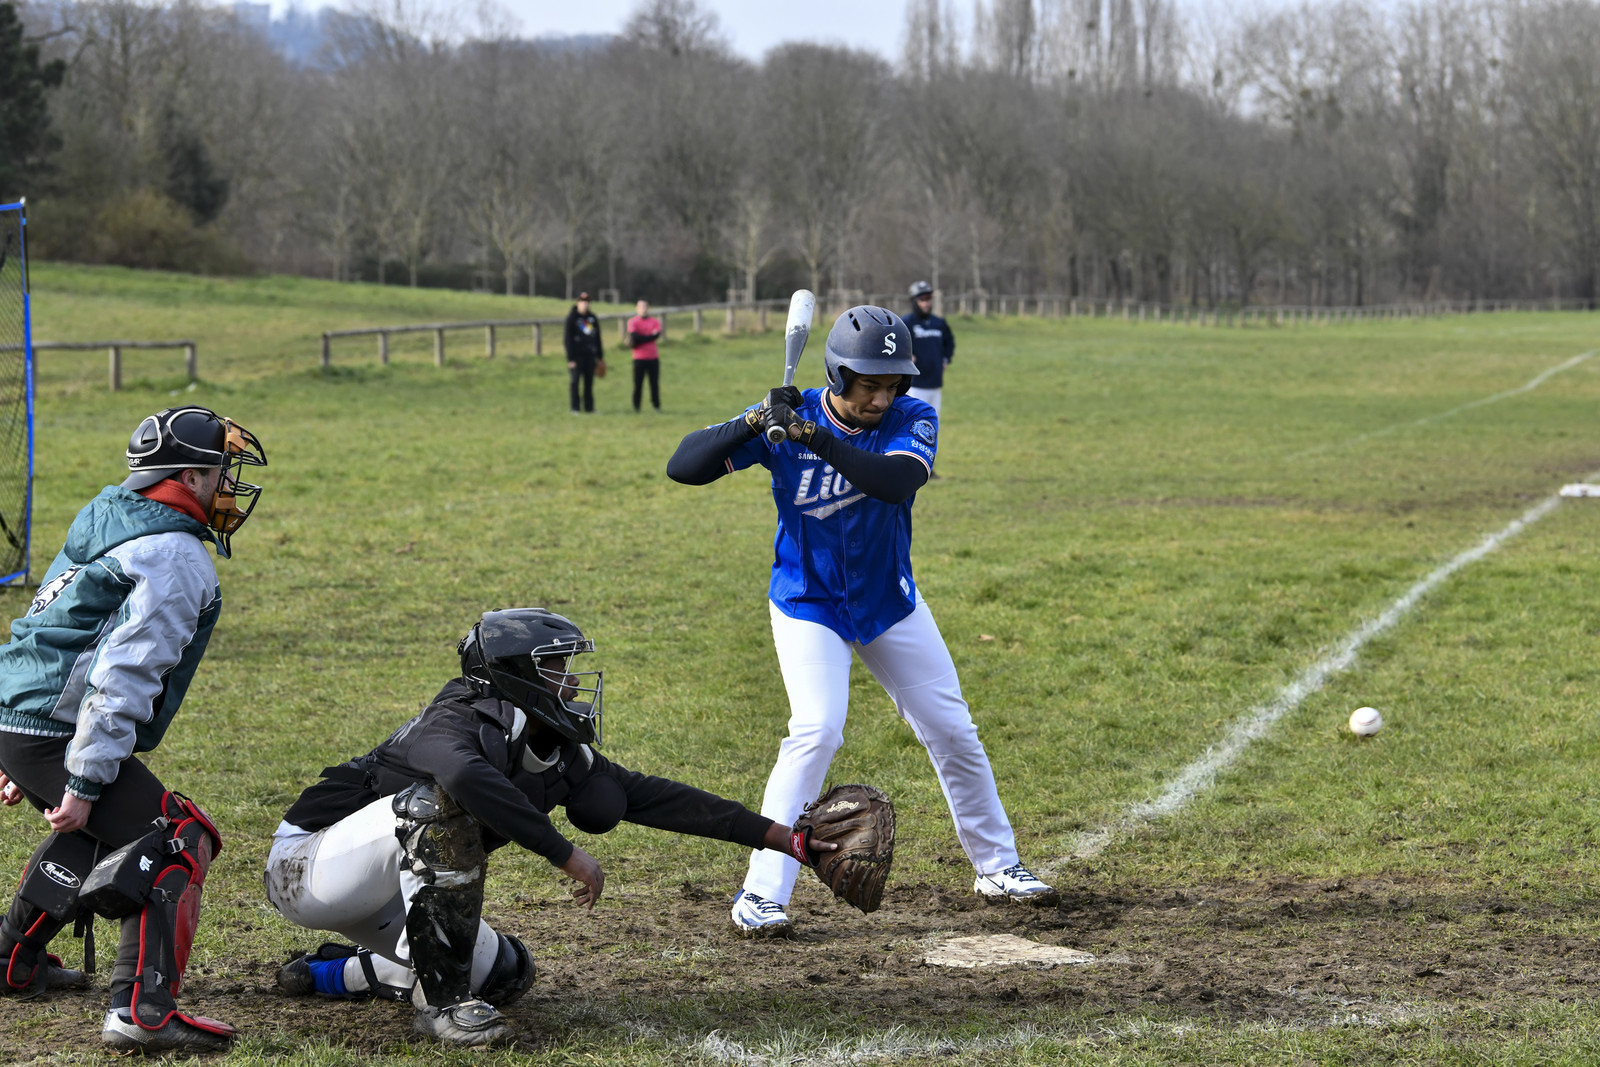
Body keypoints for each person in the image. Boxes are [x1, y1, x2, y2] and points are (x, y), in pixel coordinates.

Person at [265, 608, 840, 1047]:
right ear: (514, 676)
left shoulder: (550, 748)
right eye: (556, 669)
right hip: (308, 868)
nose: (569, 684)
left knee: (506, 974)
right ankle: (443, 1008)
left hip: (388, 891)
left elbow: (656, 799)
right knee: (437, 805)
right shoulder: (455, 720)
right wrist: (565, 853)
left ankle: (334, 974)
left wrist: (788, 840)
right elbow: (463, 775)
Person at [666, 305, 1057, 938]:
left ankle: (997, 865)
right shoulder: (787, 423)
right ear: (837, 374)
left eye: (891, 382)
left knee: (952, 728)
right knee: (816, 729)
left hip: (886, 602)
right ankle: (761, 894)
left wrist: (816, 439)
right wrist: (756, 420)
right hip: (807, 604)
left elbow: (895, 483)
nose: (882, 396)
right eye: (868, 383)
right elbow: (683, 466)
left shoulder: (912, 418)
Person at [0, 406, 267, 1052]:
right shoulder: (175, 554)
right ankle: (142, 1009)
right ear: (186, 476)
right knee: (178, 837)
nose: (226, 486)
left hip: (24, 714)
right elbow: (121, 675)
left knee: (105, 832)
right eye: (218, 472)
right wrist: (86, 773)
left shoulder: (111, 513)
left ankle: (13, 956)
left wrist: (14, 739)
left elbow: (47, 623)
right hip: (55, 726)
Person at [904, 281, 955, 424]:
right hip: (915, 385)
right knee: (914, 423)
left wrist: (945, 359)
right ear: (914, 302)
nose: (926, 304)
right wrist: (906, 356)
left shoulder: (939, 323)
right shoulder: (906, 323)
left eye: (928, 299)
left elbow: (949, 342)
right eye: (922, 300)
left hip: (935, 382)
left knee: (932, 423)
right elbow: (896, 345)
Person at [565, 292, 606, 414]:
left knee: (589, 382)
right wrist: (570, 359)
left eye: (587, 302)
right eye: (582, 301)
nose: (585, 304)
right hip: (577, 356)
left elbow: (597, 337)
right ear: (578, 303)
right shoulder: (572, 318)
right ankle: (575, 407)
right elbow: (567, 340)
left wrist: (600, 356)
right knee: (575, 381)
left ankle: (589, 407)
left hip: (590, 354)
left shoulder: (592, 318)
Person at [626, 299, 663, 412]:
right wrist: (649, 336)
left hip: (653, 357)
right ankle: (636, 406)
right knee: (638, 383)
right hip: (639, 358)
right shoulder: (633, 322)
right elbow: (634, 336)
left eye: (645, 306)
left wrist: (641, 337)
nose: (643, 309)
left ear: (648, 308)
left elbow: (656, 335)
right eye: (641, 306)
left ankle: (656, 405)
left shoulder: (654, 321)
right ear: (637, 308)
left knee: (654, 383)